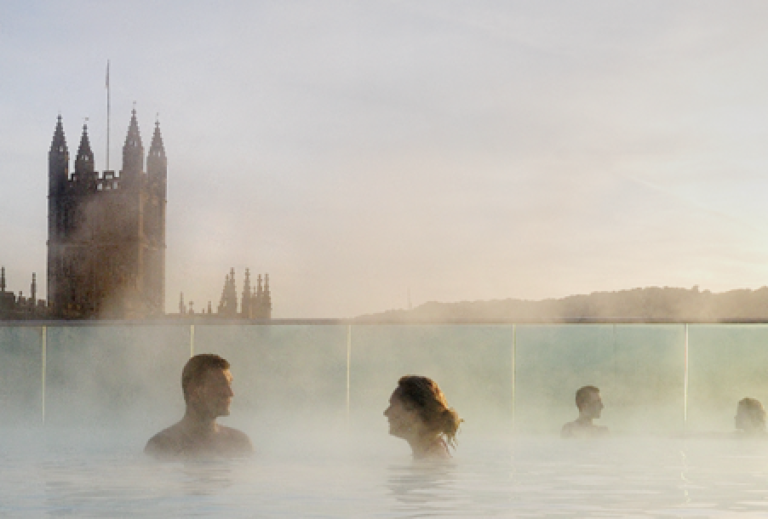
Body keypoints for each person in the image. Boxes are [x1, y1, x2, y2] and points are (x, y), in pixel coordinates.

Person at [145, 353, 253, 460]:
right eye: (220, 384)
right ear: (194, 391)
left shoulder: (239, 443)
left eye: (229, 384)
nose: (230, 393)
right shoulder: (164, 445)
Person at [383, 375, 462, 460]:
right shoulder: (427, 454)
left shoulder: (433, 461)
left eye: (393, 405)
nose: (386, 413)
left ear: (413, 413)